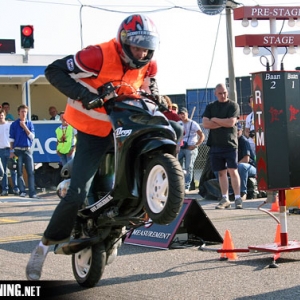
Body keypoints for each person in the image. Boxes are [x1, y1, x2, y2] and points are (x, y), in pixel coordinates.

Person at [26, 14, 161, 281]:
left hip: (124, 130)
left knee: (126, 187)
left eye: (146, 46)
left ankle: (115, 232)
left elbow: (149, 82)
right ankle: (41, 249)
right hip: (92, 132)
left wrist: (155, 92)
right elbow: (54, 70)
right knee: (78, 193)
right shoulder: (97, 55)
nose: (142, 52)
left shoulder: (149, 64)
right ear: (123, 41)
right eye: (136, 46)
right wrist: (88, 96)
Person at [202, 83, 242, 209]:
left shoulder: (233, 105)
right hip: (215, 144)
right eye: (220, 93)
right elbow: (205, 124)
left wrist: (215, 119)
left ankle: (237, 198)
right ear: (215, 94)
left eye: (224, 92)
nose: (223, 95)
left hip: (229, 144)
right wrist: (222, 122)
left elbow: (231, 122)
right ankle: (225, 198)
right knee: (221, 173)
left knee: (232, 171)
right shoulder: (210, 107)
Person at [9, 104, 37, 199]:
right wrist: (11, 151)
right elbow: (11, 139)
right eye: (22, 111)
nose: (24, 113)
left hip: (27, 150)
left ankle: (32, 192)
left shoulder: (29, 123)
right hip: (18, 150)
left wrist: (25, 127)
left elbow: (32, 137)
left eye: (25, 111)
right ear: (18, 112)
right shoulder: (14, 124)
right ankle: (22, 191)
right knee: (19, 172)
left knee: (31, 172)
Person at [178, 107, 205, 193]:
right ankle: (179, 184)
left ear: (187, 114)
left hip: (190, 147)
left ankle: (187, 185)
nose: (182, 115)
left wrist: (196, 145)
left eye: (183, 113)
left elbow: (202, 136)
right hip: (181, 147)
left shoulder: (193, 124)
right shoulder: (178, 123)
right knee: (177, 164)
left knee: (188, 166)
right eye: (180, 114)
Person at [0, 109, 19, 196]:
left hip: (10, 150)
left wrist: (13, 150)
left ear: (4, 116)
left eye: (2, 115)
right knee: (3, 171)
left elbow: (14, 137)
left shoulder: (10, 125)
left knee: (13, 170)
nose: (0, 117)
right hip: (0, 150)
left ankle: (15, 188)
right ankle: (5, 189)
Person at [236, 122, 256, 200]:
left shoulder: (244, 141)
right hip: (236, 165)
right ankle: (225, 194)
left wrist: (233, 166)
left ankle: (243, 193)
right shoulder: (230, 141)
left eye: (238, 130)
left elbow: (246, 159)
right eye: (235, 130)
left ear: (241, 130)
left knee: (242, 166)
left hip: (251, 167)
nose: (237, 132)